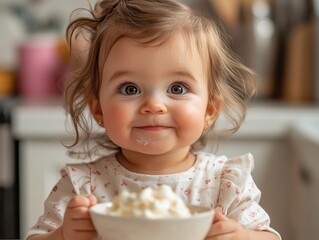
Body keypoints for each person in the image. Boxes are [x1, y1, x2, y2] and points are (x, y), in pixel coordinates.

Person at [26, 0, 281, 239]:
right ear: (98, 109)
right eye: (129, 89)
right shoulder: (83, 187)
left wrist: (244, 236)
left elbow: (266, 235)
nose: (153, 106)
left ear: (210, 110)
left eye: (178, 88)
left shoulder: (225, 183)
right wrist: (61, 235)